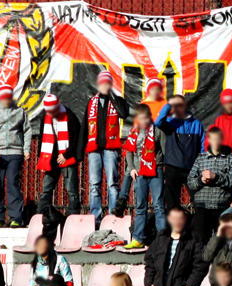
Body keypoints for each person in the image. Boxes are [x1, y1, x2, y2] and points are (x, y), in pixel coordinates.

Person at [80, 70, 128, 223]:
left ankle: (113, 218)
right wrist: (81, 150)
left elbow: (124, 113)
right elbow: (85, 126)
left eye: (107, 83)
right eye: (102, 83)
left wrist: (112, 96)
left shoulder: (117, 100)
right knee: (94, 184)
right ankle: (96, 218)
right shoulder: (92, 102)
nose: (104, 86)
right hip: (94, 149)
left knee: (112, 183)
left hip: (111, 148)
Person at [0, 85, 33, 228]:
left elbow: (27, 131)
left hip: (15, 153)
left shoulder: (19, 112)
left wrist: (26, 149)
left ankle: (16, 218)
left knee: (13, 184)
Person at [124, 104, 166, 250]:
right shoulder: (134, 131)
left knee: (159, 206)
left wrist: (162, 168)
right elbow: (129, 152)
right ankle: (138, 238)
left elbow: (165, 150)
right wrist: (132, 169)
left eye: (144, 118)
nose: (142, 121)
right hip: (140, 174)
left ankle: (162, 239)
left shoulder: (158, 131)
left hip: (156, 172)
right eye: (140, 119)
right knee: (140, 206)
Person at [188, 127, 232, 241]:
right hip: (202, 207)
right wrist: (201, 180)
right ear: (209, 140)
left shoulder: (231, 158)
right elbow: (190, 182)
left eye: (218, 139)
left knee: (222, 242)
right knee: (200, 241)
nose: (215, 142)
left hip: (222, 207)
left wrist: (216, 178)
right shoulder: (201, 159)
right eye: (213, 139)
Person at [156, 94, 204, 210]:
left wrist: (202, 165)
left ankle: (198, 227)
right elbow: (158, 122)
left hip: (191, 168)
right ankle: (175, 228)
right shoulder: (170, 122)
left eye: (180, 105)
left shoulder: (196, 124)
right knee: (172, 204)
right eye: (175, 105)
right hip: (173, 167)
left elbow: (203, 145)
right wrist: (168, 105)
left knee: (199, 201)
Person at [37, 94, 82, 215]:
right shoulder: (44, 117)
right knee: (46, 189)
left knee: (71, 190)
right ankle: (43, 215)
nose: (50, 113)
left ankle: (72, 216)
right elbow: (42, 139)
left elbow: (77, 140)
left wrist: (66, 155)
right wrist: (41, 160)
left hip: (67, 158)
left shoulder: (70, 116)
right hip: (50, 159)